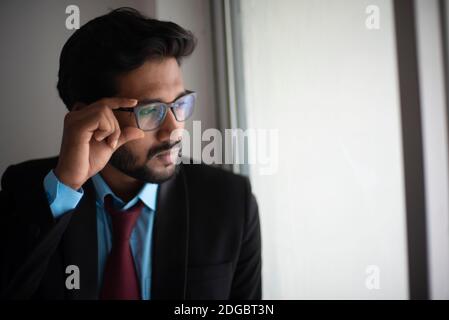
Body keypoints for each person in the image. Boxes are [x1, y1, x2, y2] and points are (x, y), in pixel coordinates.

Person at [0, 7, 261, 300]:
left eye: (181, 103)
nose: (174, 130)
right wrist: (66, 186)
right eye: (150, 111)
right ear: (89, 118)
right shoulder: (24, 190)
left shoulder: (230, 202)